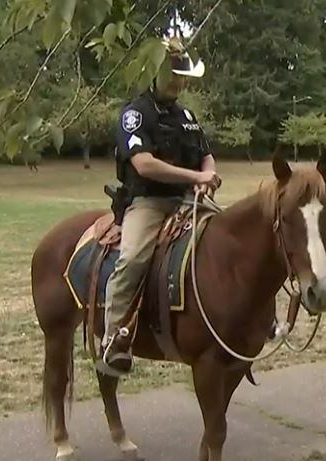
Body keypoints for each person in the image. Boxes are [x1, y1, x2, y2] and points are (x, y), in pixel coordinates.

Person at [100, 37, 221, 377]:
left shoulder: (187, 115)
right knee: (133, 257)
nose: (180, 81)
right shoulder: (135, 115)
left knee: (233, 237)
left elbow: (206, 154)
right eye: (174, 74)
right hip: (149, 202)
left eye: (183, 75)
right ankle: (114, 338)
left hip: (189, 199)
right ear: (153, 74)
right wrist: (193, 175)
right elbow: (144, 165)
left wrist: (207, 176)